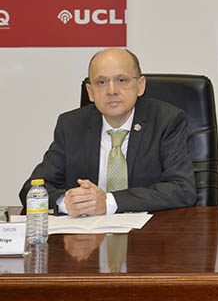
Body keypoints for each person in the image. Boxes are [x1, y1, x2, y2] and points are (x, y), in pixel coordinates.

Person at [19, 48, 196, 215]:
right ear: (90, 91)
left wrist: (108, 202)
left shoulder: (166, 120)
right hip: (86, 239)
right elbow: (32, 190)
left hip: (148, 236)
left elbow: (182, 189)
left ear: (140, 85)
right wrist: (66, 202)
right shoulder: (71, 125)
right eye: (101, 82)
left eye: (122, 80)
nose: (112, 91)